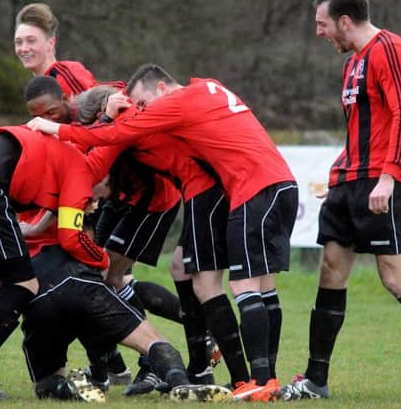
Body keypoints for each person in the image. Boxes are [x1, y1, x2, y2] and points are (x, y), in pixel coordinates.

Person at [27, 64, 299, 402]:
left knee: (207, 282)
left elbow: (97, 156)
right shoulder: (203, 87)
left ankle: (244, 376)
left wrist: (55, 137)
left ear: (157, 89)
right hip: (210, 189)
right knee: (188, 273)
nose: (141, 109)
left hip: (203, 192)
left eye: (142, 103)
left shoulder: (135, 116)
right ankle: (222, 370)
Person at [277, 0, 401, 402]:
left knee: (394, 277)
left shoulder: (391, 50)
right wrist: (338, 175)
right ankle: (315, 379)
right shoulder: (352, 64)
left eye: (322, 24)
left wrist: (388, 177)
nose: (320, 33)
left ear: (344, 21)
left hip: (385, 181)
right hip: (349, 182)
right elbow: (359, 130)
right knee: (330, 268)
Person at [80, 85, 250, 391]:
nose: (23, 48)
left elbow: (92, 166)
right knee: (112, 276)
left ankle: (155, 360)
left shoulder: (113, 111)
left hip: (154, 199)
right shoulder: (111, 110)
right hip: (132, 197)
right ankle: (189, 358)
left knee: (109, 276)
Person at [0, 125, 109, 400]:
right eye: (101, 193)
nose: (95, 200)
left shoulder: (56, 150)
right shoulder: (79, 169)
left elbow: (51, 203)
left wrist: (34, 230)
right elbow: (71, 237)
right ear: (102, 176)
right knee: (24, 283)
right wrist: (103, 259)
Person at [22, 235, 233, 403]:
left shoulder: (17, 215)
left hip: (39, 293)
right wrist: (103, 259)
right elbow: (72, 233)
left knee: (47, 383)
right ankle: (179, 381)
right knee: (148, 336)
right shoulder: (70, 195)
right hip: (82, 282)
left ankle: (72, 387)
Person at [14, 3, 97, 97]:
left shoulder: (67, 74)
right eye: (18, 42)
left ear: (50, 43)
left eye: (31, 41)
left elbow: (93, 109)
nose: (24, 48)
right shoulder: (38, 88)